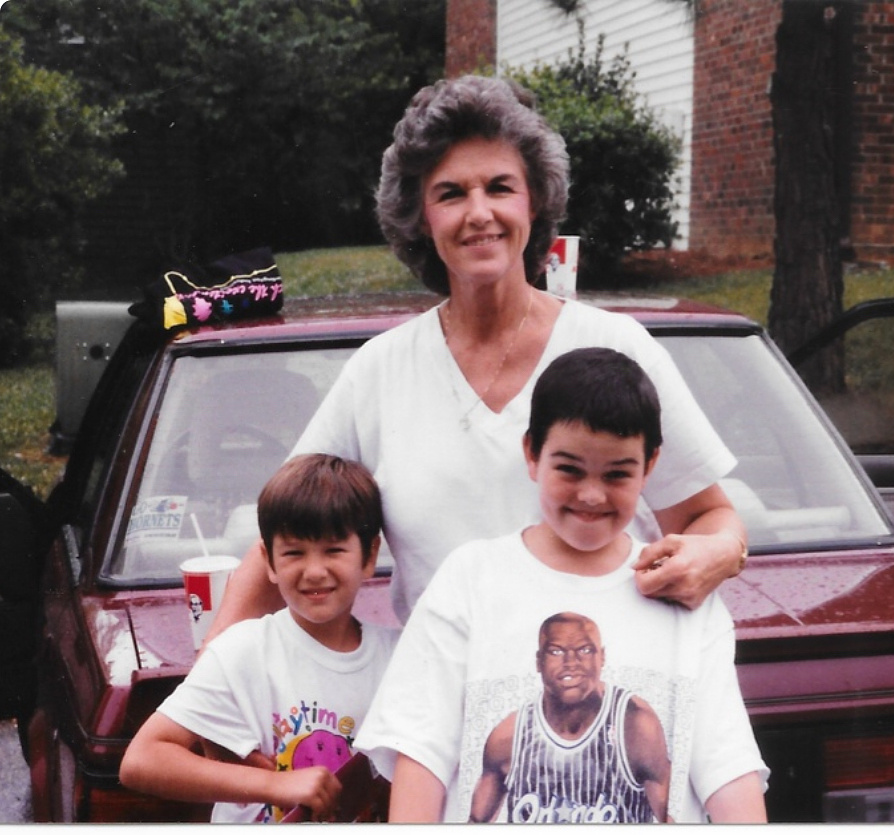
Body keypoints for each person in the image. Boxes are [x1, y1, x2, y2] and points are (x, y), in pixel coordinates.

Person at [206, 73, 747, 641]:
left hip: (595, 694)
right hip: (445, 708)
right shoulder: (380, 370)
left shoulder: (618, 348)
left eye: (499, 186)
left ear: (534, 201)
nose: (479, 212)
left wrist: (718, 554)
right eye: (451, 193)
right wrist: (199, 704)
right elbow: (282, 538)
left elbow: (712, 518)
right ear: (420, 216)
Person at [354, 348, 768, 823]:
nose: (591, 495)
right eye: (569, 469)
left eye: (617, 474)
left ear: (650, 465)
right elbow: (420, 750)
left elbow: (727, 767)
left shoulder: (681, 591)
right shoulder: (470, 579)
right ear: (531, 454)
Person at [119, 454, 398, 823]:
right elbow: (142, 760)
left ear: (369, 555)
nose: (314, 571)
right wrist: (273, 784)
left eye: (334, 550)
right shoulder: (242, 651)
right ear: (268, 561)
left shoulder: (398, 658)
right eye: (294, 552)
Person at [469, 612, 671, 824]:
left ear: (602, 657)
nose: (571, 662)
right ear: (539, 661)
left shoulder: (634, 725)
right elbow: (476, 822)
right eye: (556, 651)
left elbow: (674, 819)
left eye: (584, 650)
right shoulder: (508, 738)